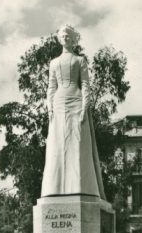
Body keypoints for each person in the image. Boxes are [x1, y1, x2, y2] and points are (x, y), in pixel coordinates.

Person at [40, 24, 105, 199]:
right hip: (58, 104)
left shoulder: (80, 60)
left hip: (76, 103)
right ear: (59, 39)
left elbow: (85, 85)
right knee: (58, 145)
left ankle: (80, 186)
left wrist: (85, 106)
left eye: (68, 36)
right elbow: (51, 87)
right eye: (62, 36)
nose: (65, 38)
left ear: (73, 39)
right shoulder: (53, 63)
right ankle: (55, 188)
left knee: (77, 144)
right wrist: (49, 107)